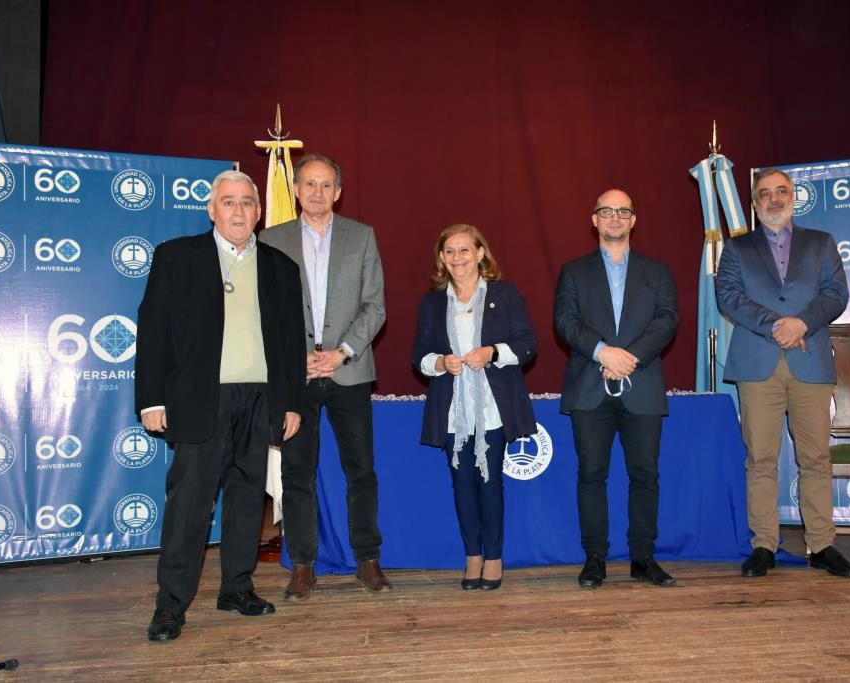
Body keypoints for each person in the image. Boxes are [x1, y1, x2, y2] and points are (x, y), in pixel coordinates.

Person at [135, 169, 306, 642]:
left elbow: (291, 342)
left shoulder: (280, 267)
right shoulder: (177, 257)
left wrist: (290, 403)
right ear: (211, 210)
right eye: (228, 202)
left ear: (258, 210)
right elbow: (152, 331)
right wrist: (151, 398)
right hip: (198, 398)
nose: (238, 211)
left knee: (248, 500)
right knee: (189, 505)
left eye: (247, 202)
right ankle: (170, 606)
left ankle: (236, 588)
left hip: (260, 397)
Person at [258, 153, 390, 597]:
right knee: (296, 472)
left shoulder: (362, 237)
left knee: (361, 471)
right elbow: (266, 312)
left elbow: (375, 306)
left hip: (349, 372)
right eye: (309, 184)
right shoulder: (270, 239)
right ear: (296, 190)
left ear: (338, 191)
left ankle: (367, 560)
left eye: (326, 184)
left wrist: (342, 353)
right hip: (294, 376)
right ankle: (302, 565)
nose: (317, 192)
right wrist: (299, 358)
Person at [716, 168, 850, 578]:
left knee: (815, 457)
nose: (774, 199)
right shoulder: (737, 248)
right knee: (760, 458)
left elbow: (836, 294)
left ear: (794, 197)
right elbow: (728, 296)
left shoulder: (821, 243)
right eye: (764, 194)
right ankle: (764, 545)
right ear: (755, 203)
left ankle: (823, 544)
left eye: (781, 192)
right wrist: (779, 325)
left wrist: (803, 323)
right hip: (757, 364)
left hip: (810, 360)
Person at [554, 189, 679, 589]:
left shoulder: (657, 271)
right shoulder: (573, 271)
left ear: (633, 220)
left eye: (623, 211)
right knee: (591, 474)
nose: (614, 217)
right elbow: (565, 322)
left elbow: (666, 320)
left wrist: (630, 358)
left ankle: (643, 558)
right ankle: (595, 559)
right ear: (594, 220)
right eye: (606, 211)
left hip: (642, 385)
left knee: (645, 475)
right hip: (590, 386)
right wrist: (604, 352)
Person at [412, 224, 537, 590]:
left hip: (492, 408)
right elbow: (418, 355)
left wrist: (492, 352)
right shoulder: (432, 303)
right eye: (449, 251)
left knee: (490, 483)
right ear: (441, 258)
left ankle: (494, 559)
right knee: (461, 485)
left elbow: (528, 345)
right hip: (453, 410)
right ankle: (472, 557)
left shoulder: (506, 295)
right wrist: (439, 363)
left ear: (481, 254)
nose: (457, 258)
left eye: (464, 250)